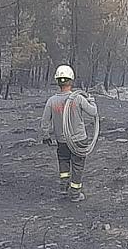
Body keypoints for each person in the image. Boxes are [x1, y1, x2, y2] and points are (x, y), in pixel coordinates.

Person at [41, 65, 98, 202]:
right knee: (77, 166)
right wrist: (92, 101)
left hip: (62, 140)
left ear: (57, 81)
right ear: (71, 81)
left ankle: (63, 188)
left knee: (64, 164)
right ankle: (75, 194)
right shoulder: (78, 99)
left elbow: (45, 121)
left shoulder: (52, 101)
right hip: (78, 139)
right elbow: (93, 112)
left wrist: (46, 136)